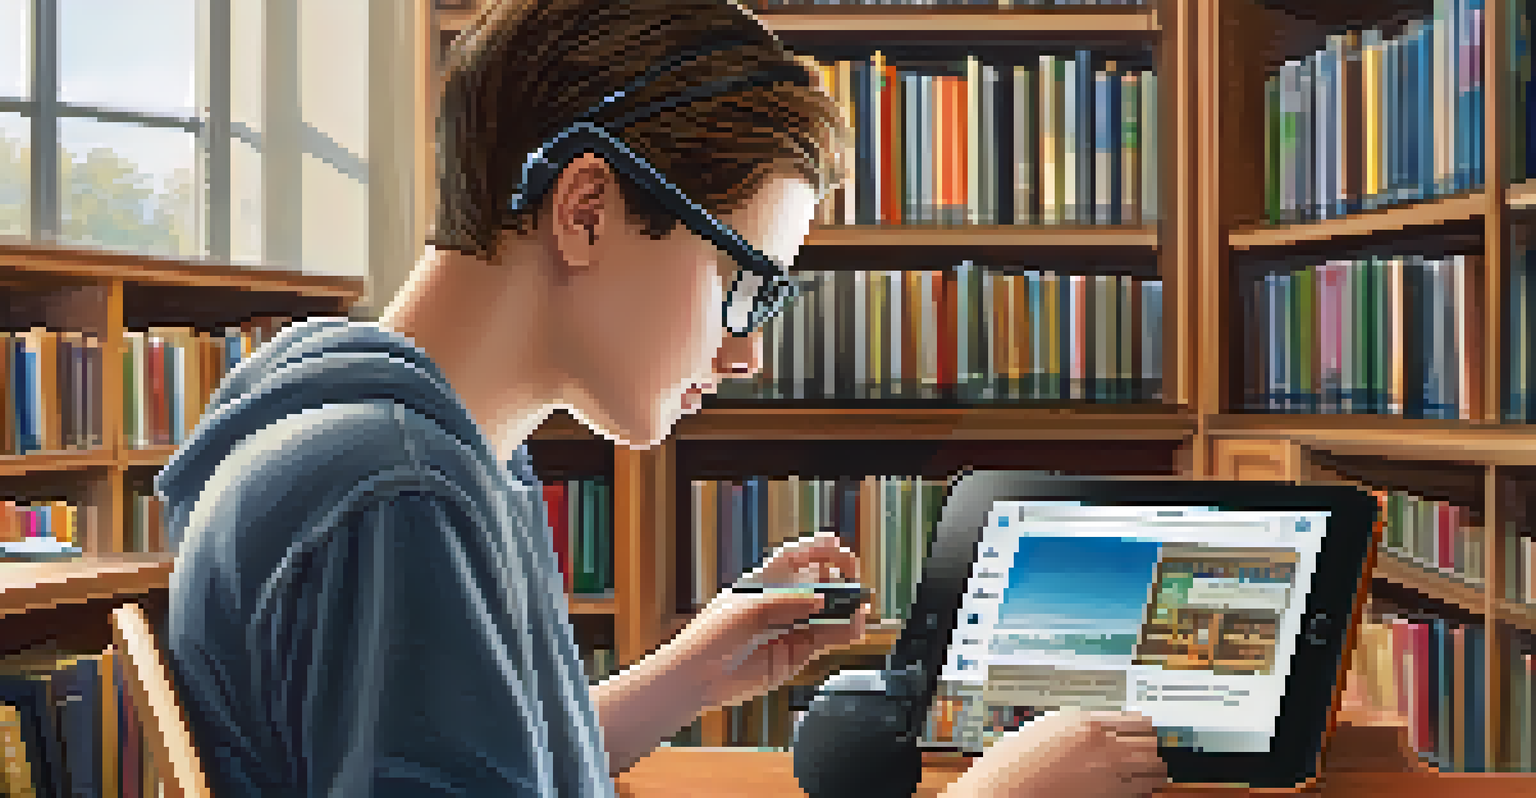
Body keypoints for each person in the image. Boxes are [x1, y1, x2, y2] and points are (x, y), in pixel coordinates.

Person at [156, 1, 1166, 796]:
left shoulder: (393, 437)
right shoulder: (397, 492)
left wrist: (690, 675)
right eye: (743, 282)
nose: (746, 354)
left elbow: (480, 766)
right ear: (587, 210)